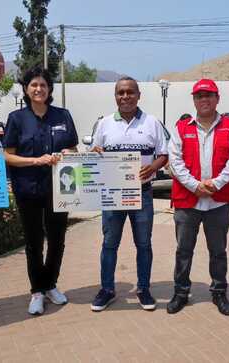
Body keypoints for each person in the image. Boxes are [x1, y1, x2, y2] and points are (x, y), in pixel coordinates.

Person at [2, 67, 79, 315]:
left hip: (61, 189)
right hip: (28, 189)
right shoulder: (16, 119)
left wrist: (67, 154)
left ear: (50, 89)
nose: (39, 89)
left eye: (43, 85)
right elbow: (7, 156)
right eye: (34, 84)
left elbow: (74, 151)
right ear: (26, 89)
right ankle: (36, 290)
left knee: (57, 240)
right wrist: (35, 161)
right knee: (34, 242)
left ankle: (50, 285)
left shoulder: (63, 116)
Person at [88, 77, 168, 311]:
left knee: (143, 244)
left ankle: (143, 289)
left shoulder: (152, 122)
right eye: (120, 92)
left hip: (142, 193)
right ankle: (107, 289)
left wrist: (153, 167)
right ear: (115, 96)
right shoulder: (103, 124)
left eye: (130, 92)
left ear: (138, 95)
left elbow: (164, 154)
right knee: (109, 244)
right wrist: (94, 151)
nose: (125, 96)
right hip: (112, 195)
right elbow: (93, 153)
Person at [166, 79, 229, 316]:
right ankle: (180, 292)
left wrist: (215, 183)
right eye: (199, 96)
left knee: (218, 251)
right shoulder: (182, 128)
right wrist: (194, 186)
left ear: (217, 99)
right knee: (183, 250)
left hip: (218, 202)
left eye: (209, 95)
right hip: (187, 201)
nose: (204, 100)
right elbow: (175, 162)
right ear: (194, 100)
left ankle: (219, 292)